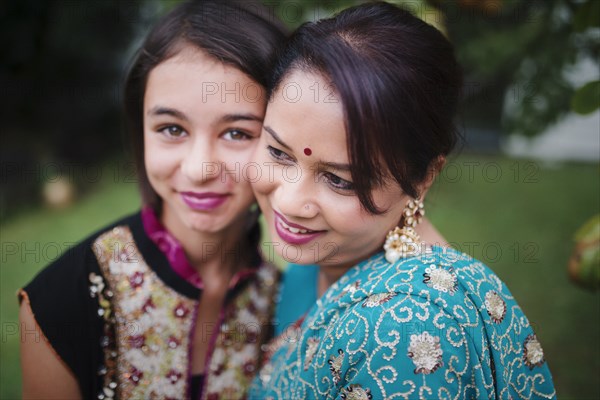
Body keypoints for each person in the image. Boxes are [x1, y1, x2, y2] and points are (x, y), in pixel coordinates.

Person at [249, 2, 556, 399]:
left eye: (339, 180)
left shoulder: (409, 327)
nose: (290, 202)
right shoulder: (315, 266)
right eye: (277, 153)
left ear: (424, 177)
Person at [18, 1, 286, 399]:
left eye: (237, 133)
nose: (199, 169)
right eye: (172, 128)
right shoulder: (61, 301)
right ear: (140, 127)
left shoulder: (284, 302)